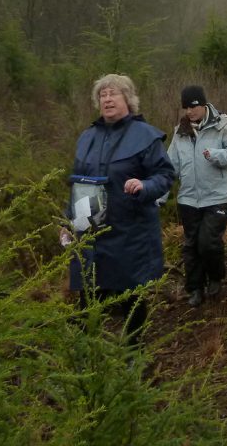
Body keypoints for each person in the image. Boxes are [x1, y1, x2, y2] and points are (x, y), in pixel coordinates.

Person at [67, 73, 175, 347]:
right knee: (89, 297)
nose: (107, 99)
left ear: (128, 99)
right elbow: (77, 183)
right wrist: (68, 221)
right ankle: (90, 361)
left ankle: (132, 356)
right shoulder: (87, 137)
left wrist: (144, 185)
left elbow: (165, 176)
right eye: (102, 95)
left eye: (113, 93)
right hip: (92, 234)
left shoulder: (145, 136)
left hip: (131, 234)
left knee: (131, 298)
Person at [167, 85, 227, 308]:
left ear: (203, 104)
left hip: (218, 196)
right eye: (186, 107)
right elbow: (169, 167)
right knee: (191, 246)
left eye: (193, 106)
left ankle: (216, 276)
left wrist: (218, 155)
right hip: (188, 199)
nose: (190, 111)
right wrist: (157, 195)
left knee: (208, 242)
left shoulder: (223, 125)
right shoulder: (179, 132)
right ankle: (195, 289)